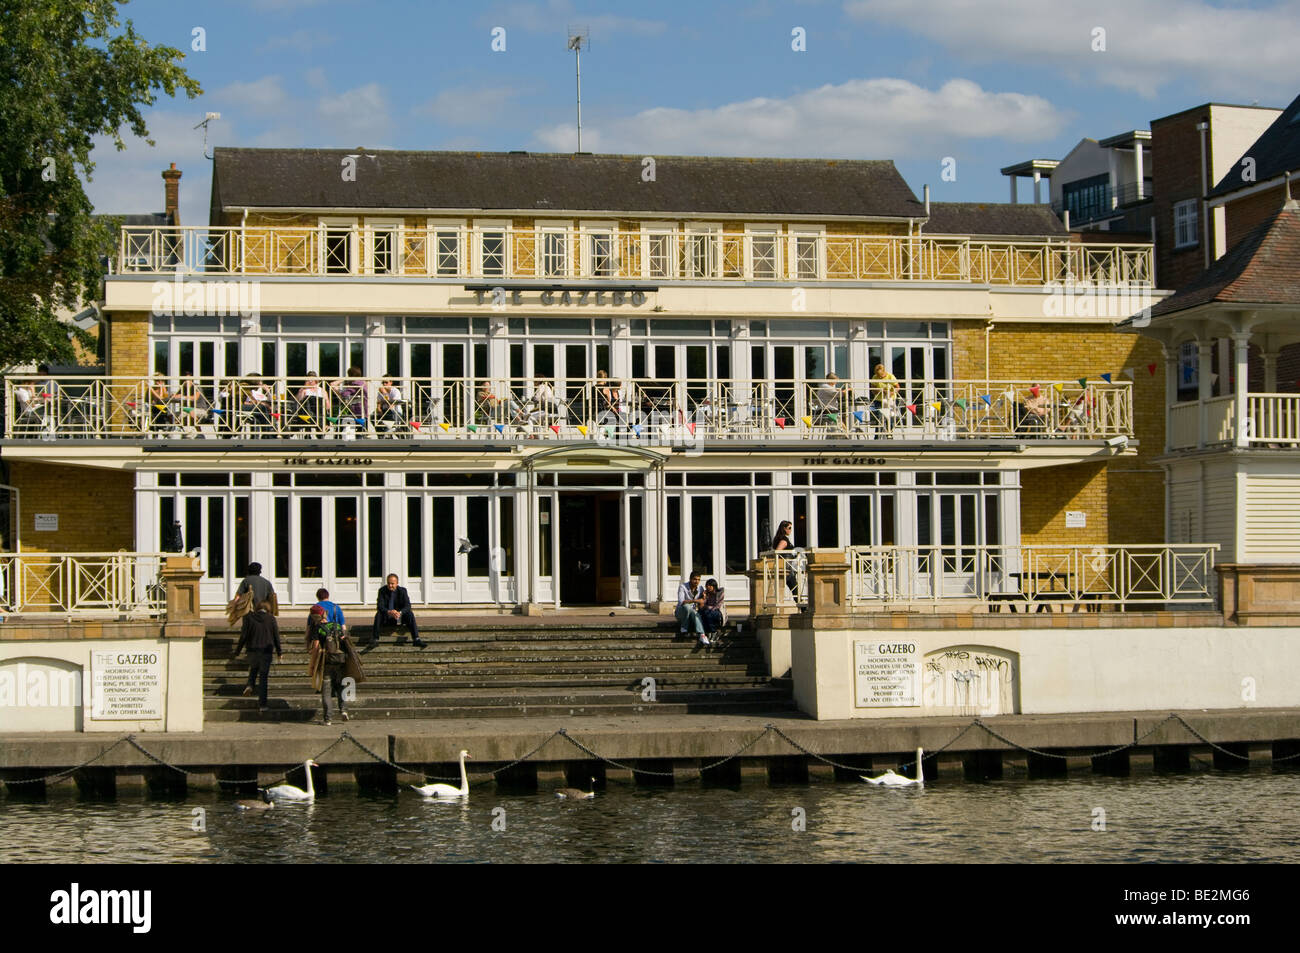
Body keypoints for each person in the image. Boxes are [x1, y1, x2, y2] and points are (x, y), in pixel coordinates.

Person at [234, 599, 282, 712]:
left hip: (252, 649)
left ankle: (250, 684)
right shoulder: (271, 619)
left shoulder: (249, 617)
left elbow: (244, 635)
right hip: (266, 650)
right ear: (268, 609)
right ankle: (263, 704)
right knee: (263, 678)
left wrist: (238, 650)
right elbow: (276, 636)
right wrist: (279, 652)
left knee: (254, 668)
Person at [307, 604, 351, 725]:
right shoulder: (336, 625)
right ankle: (343, 710)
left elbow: (316, 648)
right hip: (340, 660)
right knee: (340, 687)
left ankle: (328, 718)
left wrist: (312, 665)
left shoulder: (318, 628)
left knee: (326, 690)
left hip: (326, 662)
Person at [371, 573, 425, 647]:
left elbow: (408, 606)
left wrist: (399, 612)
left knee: (410, 613)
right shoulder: (382, 591)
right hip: (387, 618)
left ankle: (416, 639)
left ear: (397, 583)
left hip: (400, 617)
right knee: (378, 614)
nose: (390, 586)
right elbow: (380, 606)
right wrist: (389, 612)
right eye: (388, 583)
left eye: (392, 584)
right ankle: (375, 639)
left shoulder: (402, 591)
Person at [228, 561, 278, 626]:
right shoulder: (267, 582)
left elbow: (238, 596)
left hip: (249, 612)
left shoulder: (246, 581)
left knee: (248, 629)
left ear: (249, 571)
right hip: (263, 611)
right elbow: (272, 598)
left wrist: (234, 608)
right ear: (260, 571)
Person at [772, 520, 800, 601]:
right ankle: (802, 607)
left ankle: (802, 607)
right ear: (784, 528)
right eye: (789, 528)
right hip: (787, 568)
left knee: (794, 587)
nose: (790, 530)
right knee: (794, 587)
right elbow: (777, 551)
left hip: (787, 567)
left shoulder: (782, 539)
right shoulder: (784, 540)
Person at [675, 571, 706, 643]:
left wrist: (704, 598)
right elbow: (681, 602)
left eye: (698, 579)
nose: (697, 581)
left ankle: (702, 635)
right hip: (681, 613)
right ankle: (684, 626)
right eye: (695, 579)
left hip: (692, 613)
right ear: (690, 579)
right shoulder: (682, 587)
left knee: (695, 614)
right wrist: (695, 600)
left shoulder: (700, 588)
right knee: (687, 607)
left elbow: (701, 604)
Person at [699, 578, 727, 642]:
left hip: (718, 612)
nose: (708, 588)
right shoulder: (707, 594)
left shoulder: (720, 593)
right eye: (707, 586)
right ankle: (709, 632)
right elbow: (702, 606)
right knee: (702, 613)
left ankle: (714, 632)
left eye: (710, 586)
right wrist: (704, 597)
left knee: (709, 613)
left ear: (714, 586)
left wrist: (707, 607)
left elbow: (718, 606)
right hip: (708, 611)